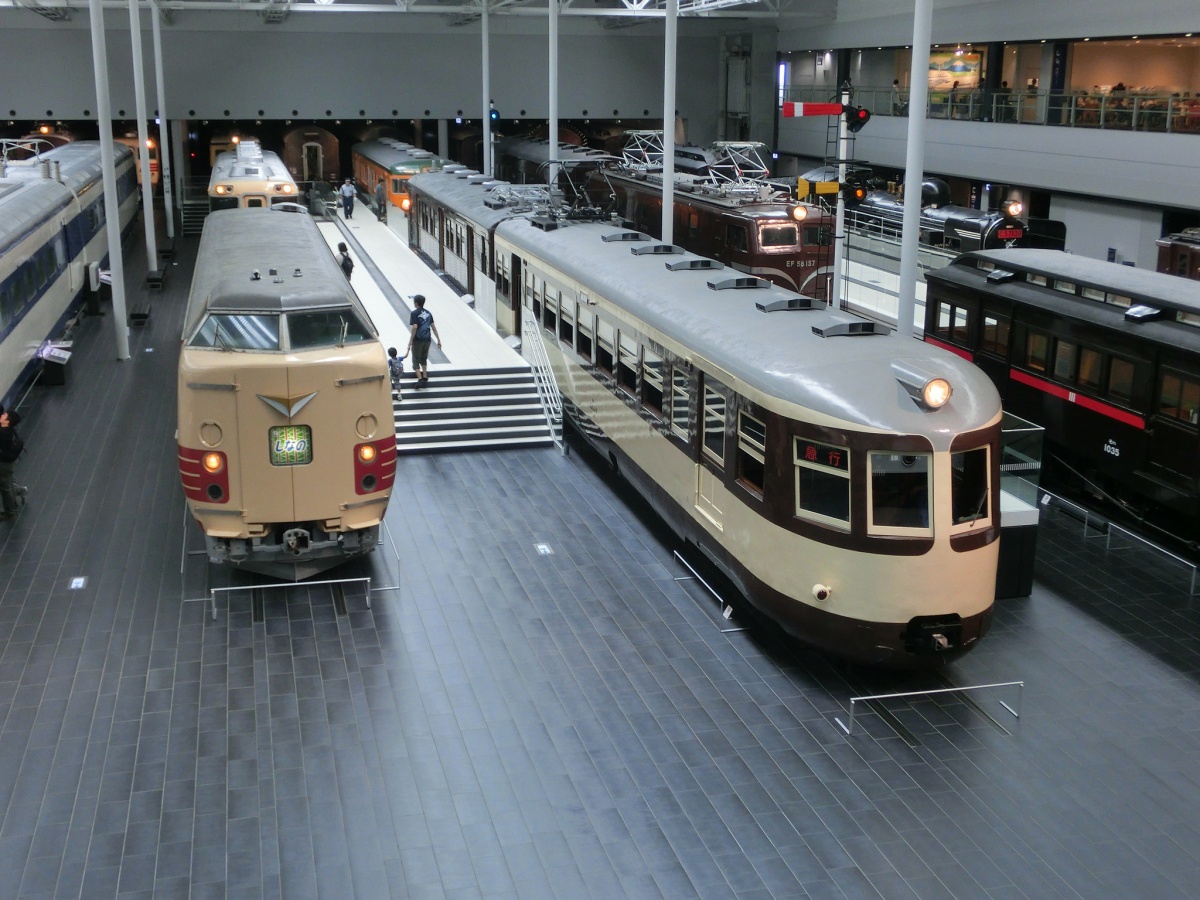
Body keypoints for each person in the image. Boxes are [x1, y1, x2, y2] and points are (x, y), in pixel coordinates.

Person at [406, 294, 441, 386]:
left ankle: (420, 378)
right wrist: (438, 340)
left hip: (418, 339)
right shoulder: (429, 313)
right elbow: (433, 327)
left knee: (415, 359)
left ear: (416, 303)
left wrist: (410, 341)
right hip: (427, 339)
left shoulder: (414, 313)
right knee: (424, 357)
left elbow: (414, 327)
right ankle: (425, 375)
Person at [0, 406, 24, 521]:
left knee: (6, 488)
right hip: (9, 464)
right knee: (8, 486)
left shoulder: (3, 434)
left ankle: (11, 512)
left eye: (4, 415)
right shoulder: (9, 431)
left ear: (7, 421)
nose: (2, 415)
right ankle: (12, 509)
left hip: (3, 465)